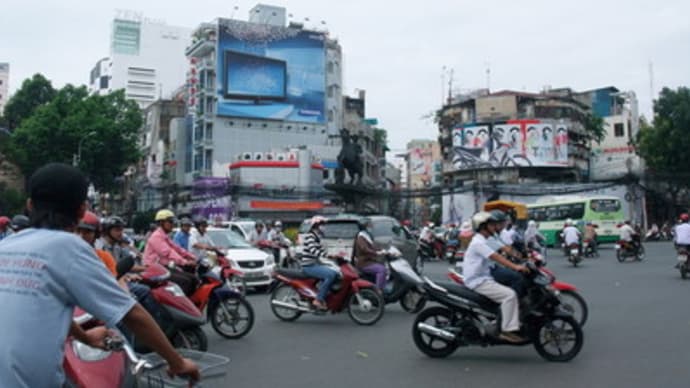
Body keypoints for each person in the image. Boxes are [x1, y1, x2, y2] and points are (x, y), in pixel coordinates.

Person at [0, 163, 199, 387]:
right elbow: (131, 313)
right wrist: (177, 362)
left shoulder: (6, 246)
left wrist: (84, 337)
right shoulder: (68, 247)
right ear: (82, 210)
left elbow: (45, 307)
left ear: (29, 205)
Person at [463, 211, 529, 343]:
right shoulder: (478, 243)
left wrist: (521, 257)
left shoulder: (485, 240)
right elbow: (496, 257)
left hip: (485, 276)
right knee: (510, 295)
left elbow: (505, 249)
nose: (496, 227)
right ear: (483, 227)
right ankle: (506, 330)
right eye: (492, 225)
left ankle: (506, 316)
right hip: (478, 281)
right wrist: (515, 267)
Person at [143, 209, 199, 295]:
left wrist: (192, 256)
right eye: (170, 222)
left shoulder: (165, 236)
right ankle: (180, 306)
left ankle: (191, 305)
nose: (172, 224)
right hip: (154, 269)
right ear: (161, 223)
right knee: (185, 282)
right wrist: (184, 262)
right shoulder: (156, 237)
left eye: (173, 222)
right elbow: (168, 252)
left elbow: (177, 248)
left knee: (193, 279)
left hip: (163, 268)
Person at [301, 216, 338, 310]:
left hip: (314, 264)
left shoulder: (316, 236)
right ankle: (318, 299)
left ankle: (323, 294)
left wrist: (333, 255)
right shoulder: (310, 236)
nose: (324, 227)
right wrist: (325, 255)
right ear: (316, 226)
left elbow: (321, 250)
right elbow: (313, 250)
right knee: (331, 275)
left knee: (333, 271)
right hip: (309, 266)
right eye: (322, 225)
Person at [486, 210, 526, 297]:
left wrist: (523, 256)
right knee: (517, 278)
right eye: (501, 224)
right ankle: (513, 302)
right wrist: (516, 264)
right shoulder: (488, 237)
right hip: (487, 269)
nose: (503, 227)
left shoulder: (495, 234)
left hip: (493, 265)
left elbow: (507, 247)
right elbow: (502, 253)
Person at [353, 218, 386, 290]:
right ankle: (378, 290)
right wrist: (376, 253)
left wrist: (384, 250)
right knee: (381, 269)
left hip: (370, 261)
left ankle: (382, 288)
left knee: (384, 267)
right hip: (364, 263)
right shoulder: (361, 236)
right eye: (369, 224)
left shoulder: (367, 235)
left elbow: (374, 246)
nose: (371, 226)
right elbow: (364, 249)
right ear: (365, 226)